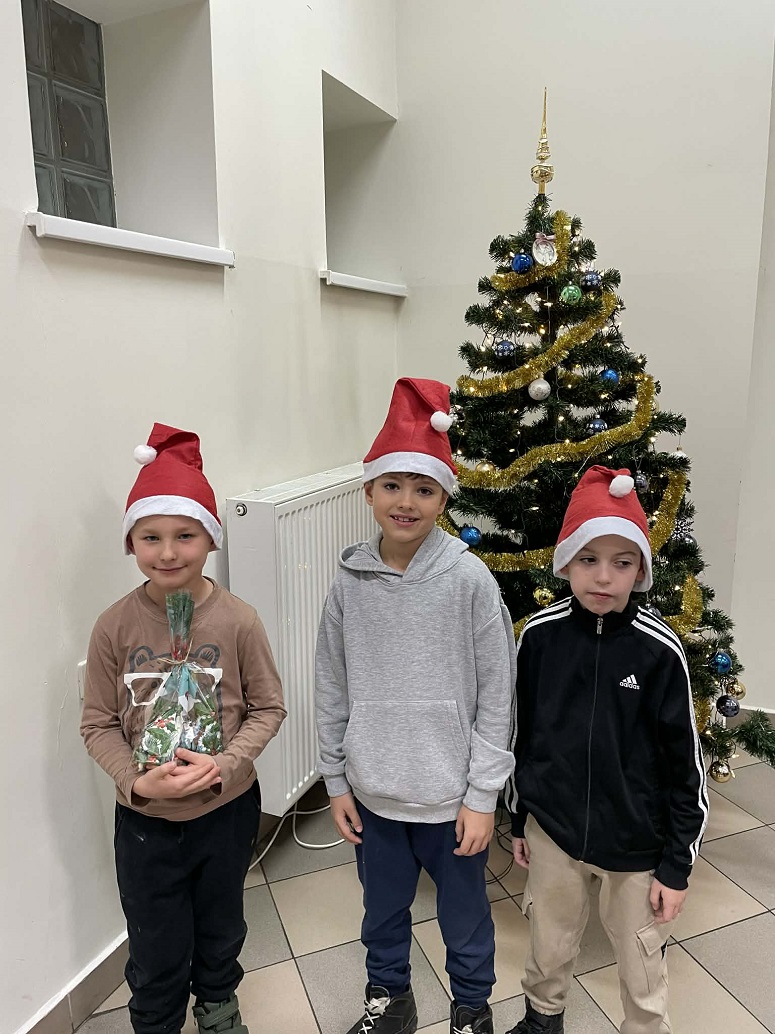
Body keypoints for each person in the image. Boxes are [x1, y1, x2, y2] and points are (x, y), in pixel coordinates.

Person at [315, 378, 516, 1034]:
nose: (406, 502)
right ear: (368, 491)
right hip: (374, 797)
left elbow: (497, 695)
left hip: (450, 801)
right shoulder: (348, 586)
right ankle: (389, 999)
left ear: (443, 498)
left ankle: (471, 1009)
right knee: (381, 912)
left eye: (424, 489)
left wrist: (482, 796)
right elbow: (331, 686)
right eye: (393, 485)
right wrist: (337, 781)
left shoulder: (469, 581)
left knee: (464, 917)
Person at [81, 423, 286, 1034]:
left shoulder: (239, 621)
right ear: (131, 543)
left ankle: (218, 1006)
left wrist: (225, 764)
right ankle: (156, 1021)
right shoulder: (113, 627)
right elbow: (97, 722)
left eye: (185, 535)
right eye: (151, 537)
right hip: (145, 822)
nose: (168, 552)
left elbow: (268, 708)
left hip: (225, 811)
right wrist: (135, 781)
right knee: (155, 941)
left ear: (210, 538)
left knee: (222, 926)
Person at [503, 466, 708, 1034]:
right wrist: (520, 818)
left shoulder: (659, 652)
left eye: (622, 563)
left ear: (640, 571)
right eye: (588, 559)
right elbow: (523, 735)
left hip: (638, 845)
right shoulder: (538, 637)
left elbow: (685, 768)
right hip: (554, 830)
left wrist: (676, 866)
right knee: (548, 941)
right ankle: (541, 1020)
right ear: (565, 561)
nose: (603, 576)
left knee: (642, 964)